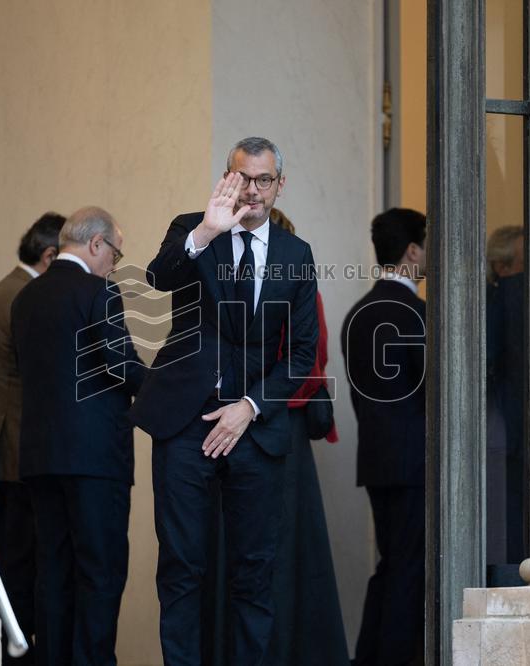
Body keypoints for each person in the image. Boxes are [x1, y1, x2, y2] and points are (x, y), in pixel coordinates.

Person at [130, 137, 319, 666]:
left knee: (254, 570)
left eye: (264, 180)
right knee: (181, 567)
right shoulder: (192, 227)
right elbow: (157, 278)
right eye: (243, 178)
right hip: (185, 421)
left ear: (280, 186)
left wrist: (251, 407)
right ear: (226, 179)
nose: (253, 190)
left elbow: (302, 352)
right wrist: (207, 231)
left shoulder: (296, 254)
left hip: (253, 427)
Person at [202, 207, 349, 666]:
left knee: (265, 556)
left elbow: (307, 359)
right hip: (255, 426)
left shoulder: (288, 281)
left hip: (269, 426)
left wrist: (254, 400)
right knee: (264, 556)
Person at [11, 206, 146, 666]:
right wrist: (170, 390)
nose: (114, 264)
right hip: (96, 460)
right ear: (96, 244)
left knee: (52, 573)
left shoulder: (25, 298)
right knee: (99, 574)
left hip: (41, 458)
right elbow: (121, 364)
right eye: (115, 253)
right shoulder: (98, 291)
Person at [0, 211, 65, 663]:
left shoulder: (4, 289)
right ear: (49, 256)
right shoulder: (24, 296)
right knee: (19, 563)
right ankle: (14, 652)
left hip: (3, 442)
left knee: (10, 556)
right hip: (19, 447)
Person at [341, 208, 427, 666]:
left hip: (375, 459)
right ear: (412, 250)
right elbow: (432, 390)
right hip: (415, 463)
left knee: (391, 566)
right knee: (408, 571)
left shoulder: (357, 313)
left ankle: (367, 658)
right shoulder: (417, 313)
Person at [486, 225, 526, 581]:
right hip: (506, 434)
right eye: (527, 263)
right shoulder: (507, 298)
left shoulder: (501, 298)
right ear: (502, 266)